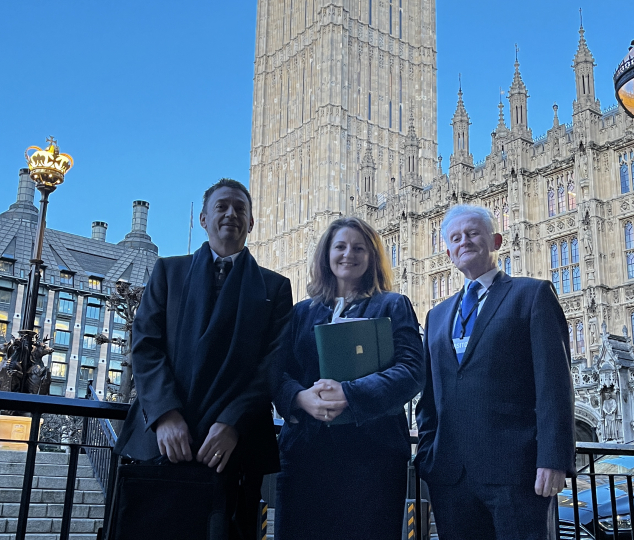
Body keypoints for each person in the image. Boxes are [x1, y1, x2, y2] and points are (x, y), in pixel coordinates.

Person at [114, 178, 292, 539]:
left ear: (252, 222)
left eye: (240, 209)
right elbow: (146, 346)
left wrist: (231, 423)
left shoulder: (275, 288)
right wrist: (165, 414)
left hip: (234, 449)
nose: (231, 214)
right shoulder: (168, 271)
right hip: (165, 444)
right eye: (222, 207)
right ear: (203, 219)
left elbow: (273, 364)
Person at [415, 204, 575, 540]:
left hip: (515, 471)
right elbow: (430, 396)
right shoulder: (437, 316)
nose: (464, 242)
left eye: (473, 233)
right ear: (448, 253)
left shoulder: (531, 294)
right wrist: (428, 454)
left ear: (497, 240)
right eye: (456, 238)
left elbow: (554, 384)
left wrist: (554, 459)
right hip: (450, 474)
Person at [274, 217, 425, 540]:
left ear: (372, 256)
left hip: (372, 459)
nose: (348, 254)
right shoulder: (301, 312)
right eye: (340, 246)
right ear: (326, 255)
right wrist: (301, 398)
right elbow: (277, 372)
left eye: (359, 248)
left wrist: (349, 394)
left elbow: (412, 370)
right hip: (305, 456)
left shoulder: (392, 305)